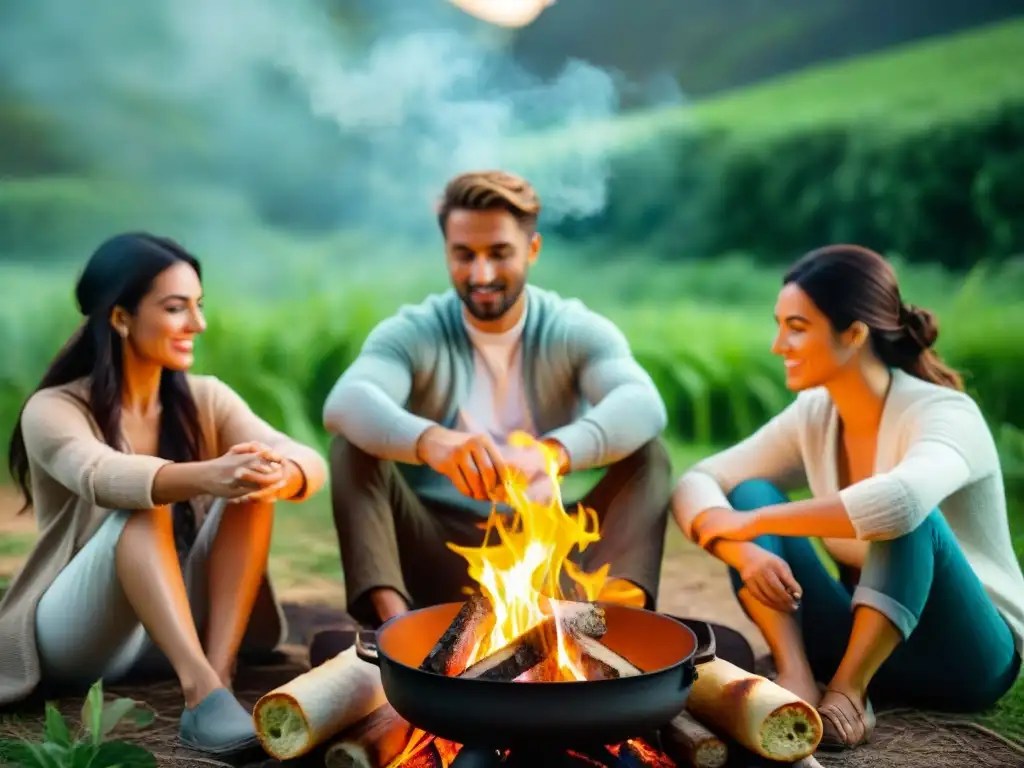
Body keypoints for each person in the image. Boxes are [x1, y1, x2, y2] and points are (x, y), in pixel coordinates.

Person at [672, 244, 1024, 750]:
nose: (778, 344)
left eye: (797, 327)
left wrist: (751, 523)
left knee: (907, 514)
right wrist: (743, 551)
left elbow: (900, 503)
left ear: (854, 334)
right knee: (747, 490)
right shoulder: (814, 415)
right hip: (857, 636)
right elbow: (698, 480)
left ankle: (848, 693)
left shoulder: (945, 414)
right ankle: (796, 673)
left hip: (968, 655)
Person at [317, 170, 671, 655]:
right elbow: (346, 402)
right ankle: (398, 638)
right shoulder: (414, 331)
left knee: (649, 455)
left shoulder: (574, 328)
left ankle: (606, 628)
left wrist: (554, 453)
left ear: (533, 249)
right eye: (464, 255)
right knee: (352, 448)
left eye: (499, 253)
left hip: (550, 559)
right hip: (438, 554)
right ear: (447, 252)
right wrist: (432, 442)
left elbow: (643, 403)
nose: (481, 274)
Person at [0, 233, 327, 756]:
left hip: (172, 623)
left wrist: (280, 474)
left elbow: (308, 458)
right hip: (80, 632)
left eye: (198, 306)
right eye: (176, 308)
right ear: (120, 317)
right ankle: (200, 690)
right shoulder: (54, 409)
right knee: (140, 505)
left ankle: (216, 677)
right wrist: (206, 474)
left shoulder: (205, 398)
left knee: (256, 487)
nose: (196, 324)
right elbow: (103, 477)